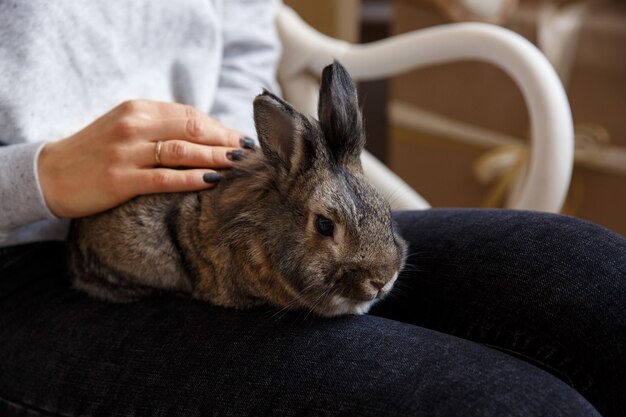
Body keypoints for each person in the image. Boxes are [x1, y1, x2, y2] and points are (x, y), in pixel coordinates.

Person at [0, 1, 624, 416]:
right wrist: (41, 174)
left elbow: (241, 48)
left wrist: (236, 158)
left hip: (220, 177)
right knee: (508, 405)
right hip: (34, 254)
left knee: (594, 274)